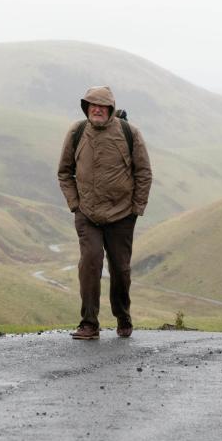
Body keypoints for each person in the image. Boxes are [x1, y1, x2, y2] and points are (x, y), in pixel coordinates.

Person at [57, 85, 153, 340]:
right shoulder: (77, 132)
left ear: (110, 108)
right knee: (90, 263)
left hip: (122, 214)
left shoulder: (129, 133)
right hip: (87, 214)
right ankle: (89, 323)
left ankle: (123, 316)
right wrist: (75, 204)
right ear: (86, 107)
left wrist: (136, 208)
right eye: (92, 104)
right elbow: (64, 172)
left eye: (102, 105)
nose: (97, 109)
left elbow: (143, 172)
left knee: (120, 269)